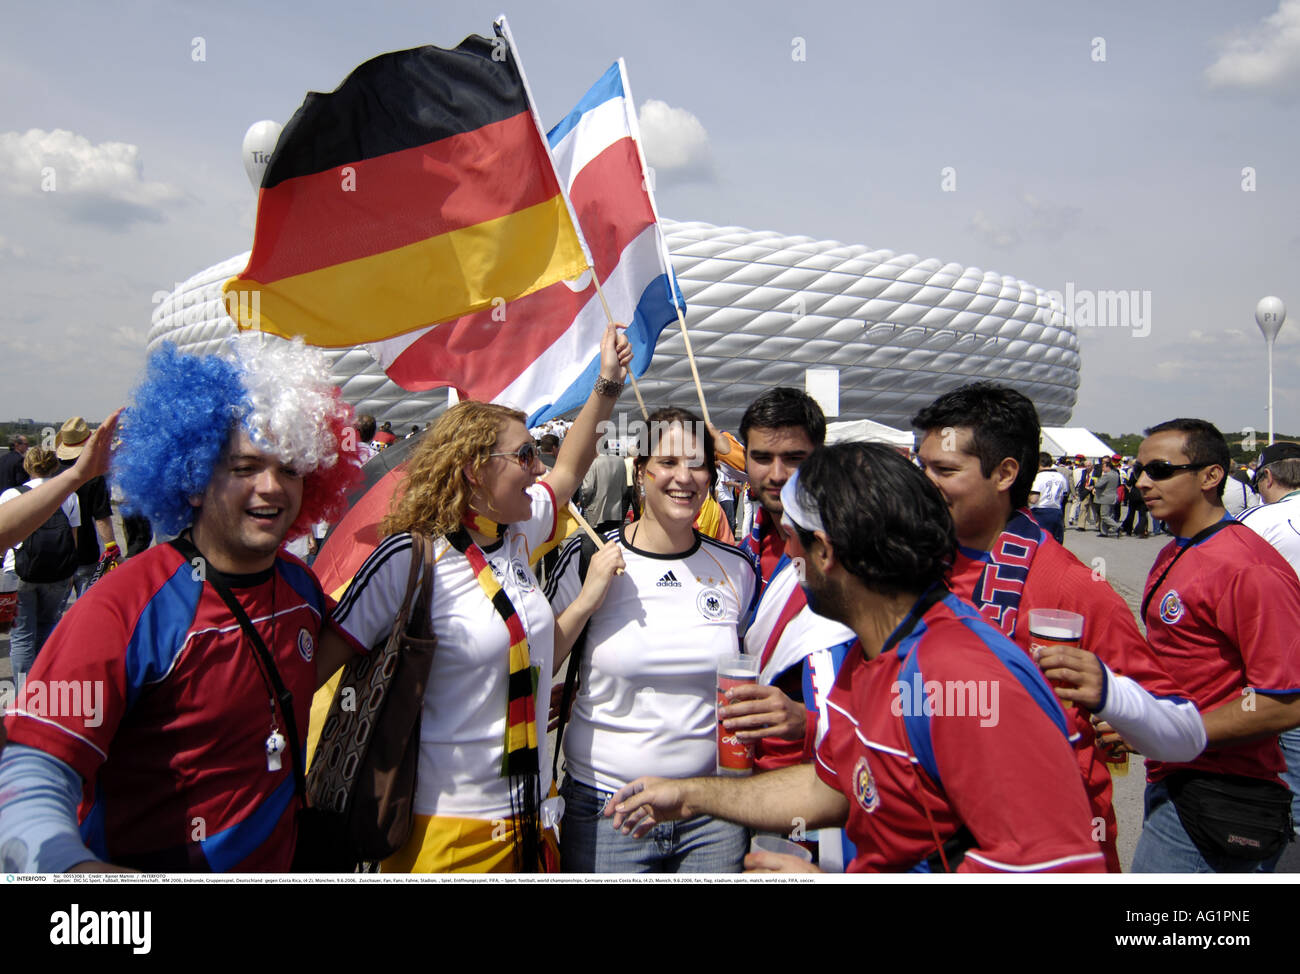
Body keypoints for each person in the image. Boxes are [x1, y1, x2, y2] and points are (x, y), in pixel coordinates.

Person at [606, 443, 1107, 873]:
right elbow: (834, 786)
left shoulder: (963, 677)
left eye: (792, 534)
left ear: (824, 552)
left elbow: (1057, 867)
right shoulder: (871, 654)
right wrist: (689, 795)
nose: (785, 551)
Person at [0, 337, 360, 872]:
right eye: (244, 467)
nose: (272, 488)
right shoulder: (124, 606)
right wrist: (70, 869)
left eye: (290, 469)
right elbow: (32, 767)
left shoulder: (301, 588)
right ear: (193, 480)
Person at [321, 322, 632, 873]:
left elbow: (568, 472)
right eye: (524, 456)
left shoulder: (516, 533)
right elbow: (312, 671)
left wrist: (607, 383)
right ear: (475, 469)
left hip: (531, 821)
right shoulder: (410, 561)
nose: (538, 468)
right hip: (449, 837)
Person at [912, 383, 1202, 871]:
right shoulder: (909, 566)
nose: (924, 483)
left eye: (943, 470)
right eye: (921, 467)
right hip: (926, 838)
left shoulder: (1072, 587)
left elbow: (1182, 731)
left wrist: (1112, 694)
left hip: (1047, 852)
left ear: (1005, 473)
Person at [545, 406, 759, 872]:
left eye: (697, 464)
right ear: (641, 471)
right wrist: (584, 603)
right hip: (610, 810)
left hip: (712, 812)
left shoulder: (736, 569)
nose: (684, 477)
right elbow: (534, 663)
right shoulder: (590, 557)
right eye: (667, 462)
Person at [1127, 419, 1300, 873]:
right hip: (1175, 776)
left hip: (1222, 790)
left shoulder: (1247, 567)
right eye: (1138, 470)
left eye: (1161, 469)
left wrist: (1168, 729)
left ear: (1211, 476)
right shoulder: (1178, 549)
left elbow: (1284, 703)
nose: (1144, 482)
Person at [1, 447, 80, 684]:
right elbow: (73, 539)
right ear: (54, 466)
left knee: (22, 636)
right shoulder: (69, 495)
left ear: (27, 466)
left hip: (18, 571)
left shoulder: (11, 495)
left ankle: (25, 693)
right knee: (48, 629)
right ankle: (45, 688)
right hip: (57, 572)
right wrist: (70, 573)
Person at [55, 417, 120, 600]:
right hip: (86, 550)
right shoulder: (93, 477)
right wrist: (112, 549)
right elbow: (102, 518)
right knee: (85, 607)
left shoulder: (53, 474)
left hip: (56, 552)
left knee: (53, 618)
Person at [1028, 450, 1068, 542]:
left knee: (1041, 541)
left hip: (1040, 511)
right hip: (1056, 511)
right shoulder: (1060, 477)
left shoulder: (1038, 477)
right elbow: (1064, 496)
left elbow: (1034, 499)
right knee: (1056, 541)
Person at [1093, 457, 1121, 537]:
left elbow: (1098, 485)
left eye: (1103, 467)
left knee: (1104, 515)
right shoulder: (1115, 474)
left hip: (1105, 497)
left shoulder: (1107, 475)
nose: (1102, 469)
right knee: (1108, 514)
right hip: (1113, 496)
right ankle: (1104, 532)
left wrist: (1097, 481)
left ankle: (1117, 527)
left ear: (1108, 467)